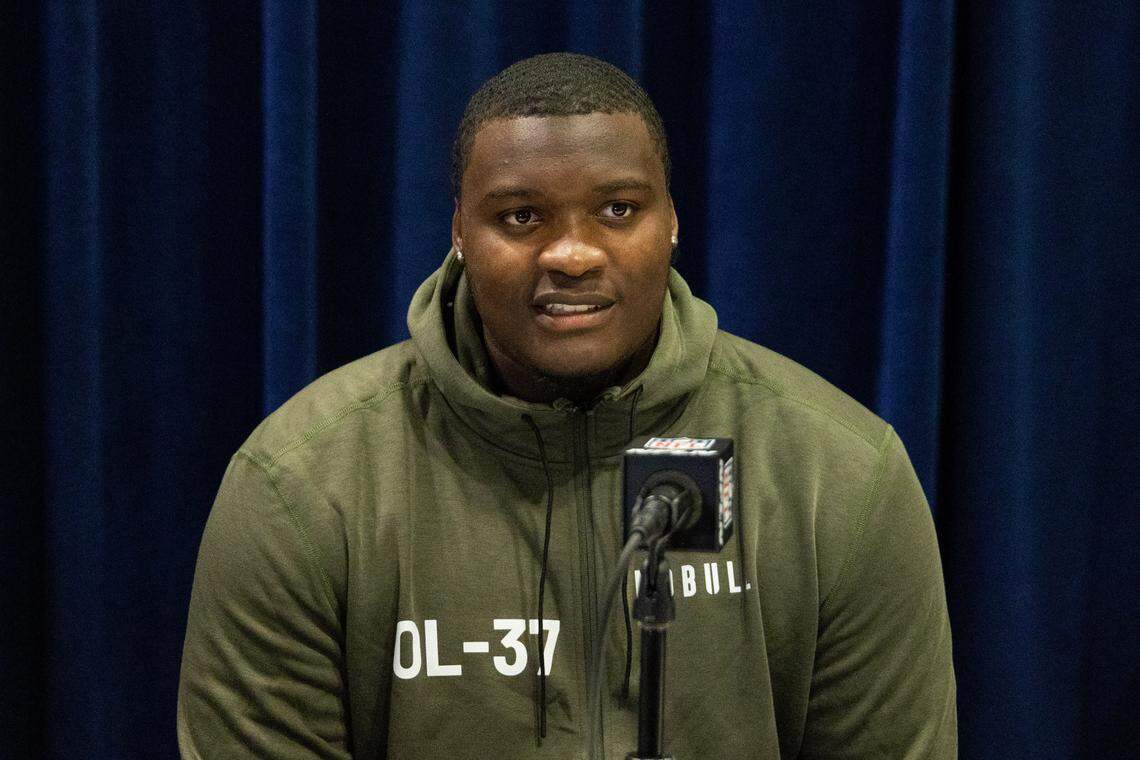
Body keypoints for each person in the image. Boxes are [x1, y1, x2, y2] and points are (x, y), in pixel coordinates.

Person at [178, 53, 956, 759]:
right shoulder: (301, 489)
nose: (573, 254)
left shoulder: (840, 476)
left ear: (673, 222)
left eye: (618, 209)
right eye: (521, 217)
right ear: (458, 233)